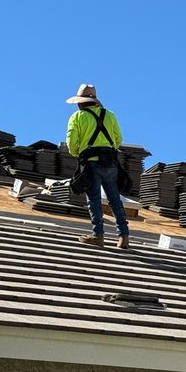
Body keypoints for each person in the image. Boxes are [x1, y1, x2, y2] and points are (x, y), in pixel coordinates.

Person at [66, 83, 130, 249]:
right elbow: (118, 139)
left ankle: (98, 235)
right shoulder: (110, 115)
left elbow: (71, 143)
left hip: (91, 162)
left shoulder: (77, 117)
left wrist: (78, 153)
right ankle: (124, 237)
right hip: (110, 162)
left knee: (94, 199)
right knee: (115, 200)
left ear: (80, 102)